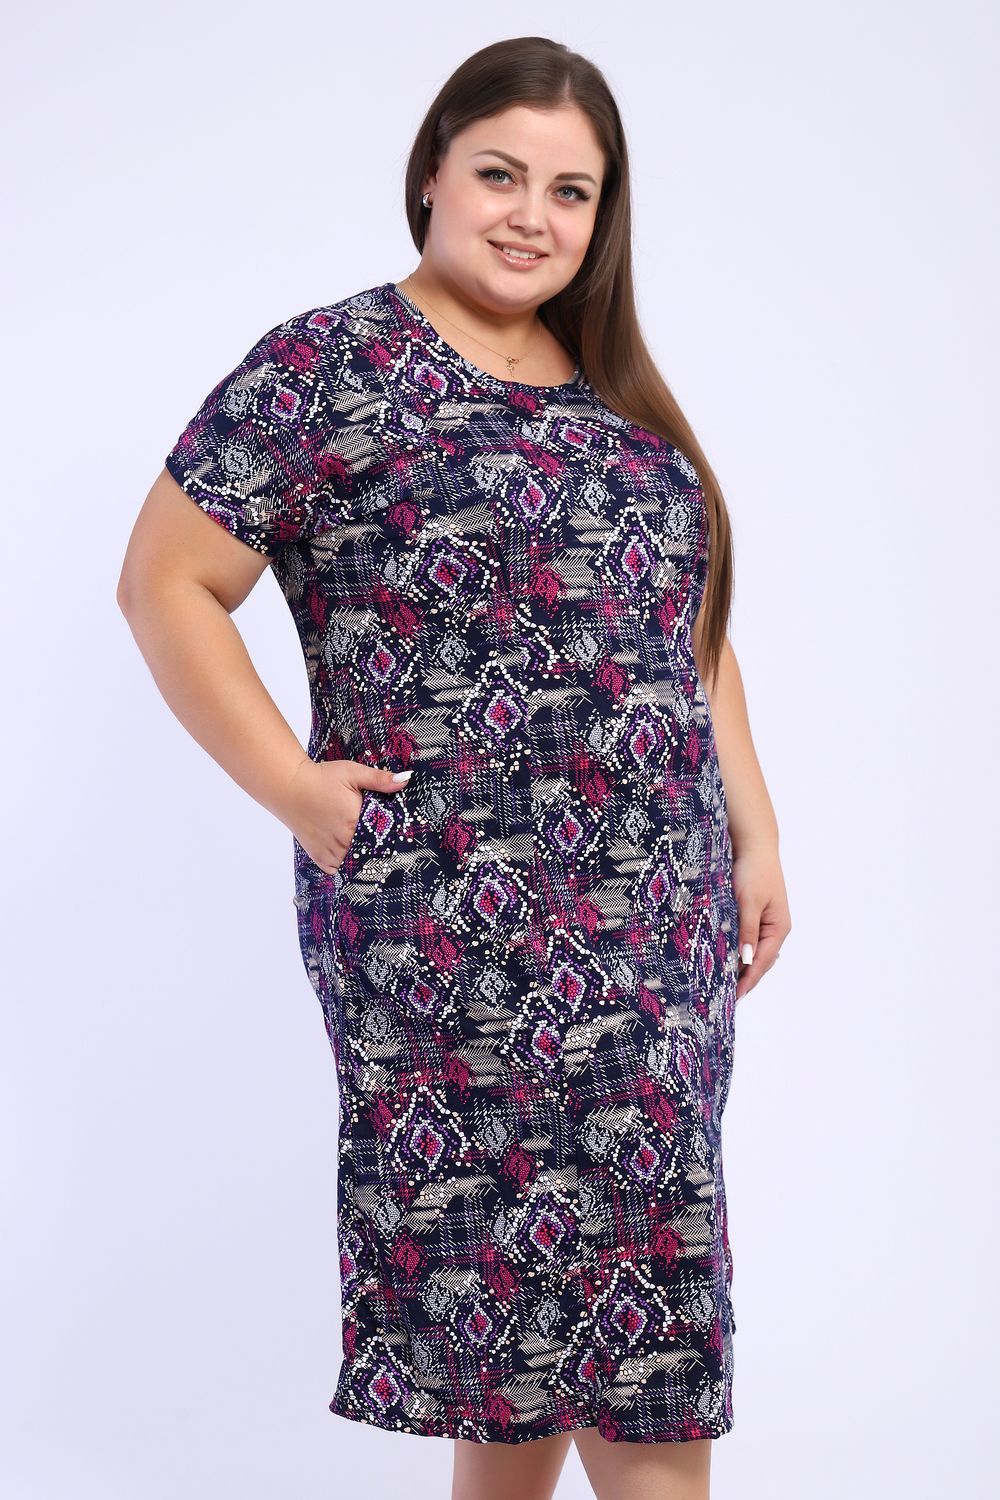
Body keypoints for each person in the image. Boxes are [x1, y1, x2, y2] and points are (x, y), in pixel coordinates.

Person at [117, 34, 791, 1500]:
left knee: (629, 1318)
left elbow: (687, 633)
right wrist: (293, 788)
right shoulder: (327, 367)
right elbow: (164, 581)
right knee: (505, 1312)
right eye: (500, 174)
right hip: (445, 919)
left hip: (653, 917)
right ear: (431, 173)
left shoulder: (619, 396)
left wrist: (757, 832)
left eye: (571, 190)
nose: (531, 216)